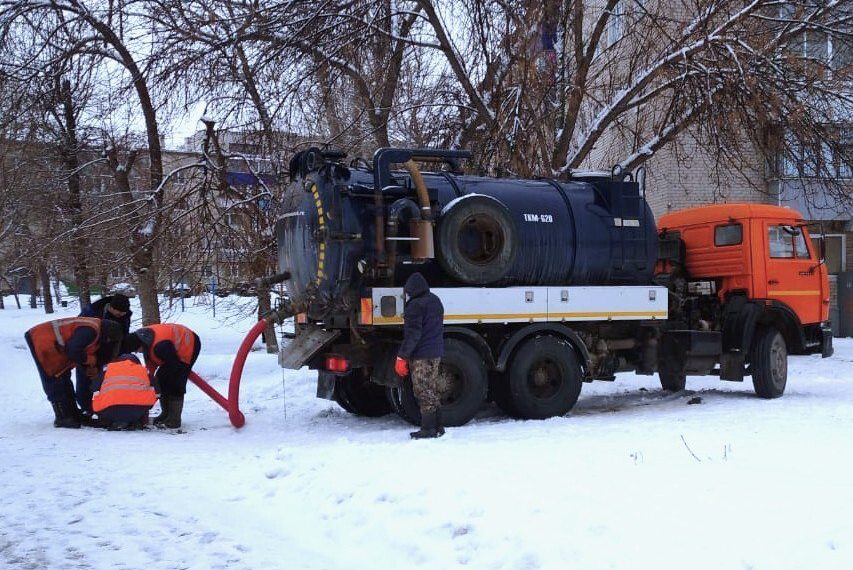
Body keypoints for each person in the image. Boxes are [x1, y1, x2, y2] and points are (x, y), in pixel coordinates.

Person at [24, 317, 124, 428]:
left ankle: (72, 413)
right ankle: (62, 417)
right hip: (41, 340)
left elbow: (78, 350)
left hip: (54, 344)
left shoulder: (95, 328)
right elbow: (73, 350)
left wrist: (89, 364)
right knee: (53, 378)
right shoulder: (90, 331)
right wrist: (89, 360)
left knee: (64, 377)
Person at [395, 272, 445, 439]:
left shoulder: (415, 306)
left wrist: (402, 356)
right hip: (435, 352)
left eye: (408, 291)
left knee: (423, 390)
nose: (407, 294)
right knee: (432, 389)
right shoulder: (435, 300)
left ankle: (428, 428)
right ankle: (438, 426)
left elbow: (413, 335)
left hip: (422, 355)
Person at [124, 323, 201, 429]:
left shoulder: (159, 346)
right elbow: (151, 366)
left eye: (137, 350)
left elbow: (174, 365)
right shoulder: (145, 340)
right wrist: (150, 381)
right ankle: (165, 414)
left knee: (176, 381)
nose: (138, 352)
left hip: (188, 344)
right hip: (171, 350)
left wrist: (159, 384)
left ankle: (174, 419)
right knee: (161, 380)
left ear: (140, 345)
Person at [75, 294, 132, 417]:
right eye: (119, 312)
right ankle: (87, 408)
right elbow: (81, 336)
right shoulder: (92, 313)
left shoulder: (125, 316)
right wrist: (89, 360)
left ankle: (105, 409)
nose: (121, 314)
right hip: (89, 351)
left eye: (124, 312)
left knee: (107, 383)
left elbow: (123, 337)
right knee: (85, 381)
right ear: (111, 307)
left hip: (111, 353)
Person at [92, 354, 157, 431]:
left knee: (98, 396)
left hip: (110, 410)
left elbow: (94, 387)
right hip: (138, 410)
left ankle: (109, 421)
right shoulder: (144, 370)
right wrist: (147, 406)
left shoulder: (107, 368)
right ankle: (136, 421)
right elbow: (157, 391)